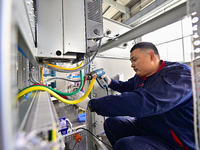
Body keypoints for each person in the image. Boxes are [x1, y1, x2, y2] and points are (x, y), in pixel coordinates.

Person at [88, 42, 195, 150]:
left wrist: (92, 104)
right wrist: (110, 82)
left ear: (151, 56)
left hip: (174, 140)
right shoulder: (142, 76)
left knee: (125, 145)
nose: (132, 65)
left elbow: (143, 102)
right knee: (112, 123)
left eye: (134, 60)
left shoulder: (179, 74)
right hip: (150, 127)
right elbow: (127, 86)